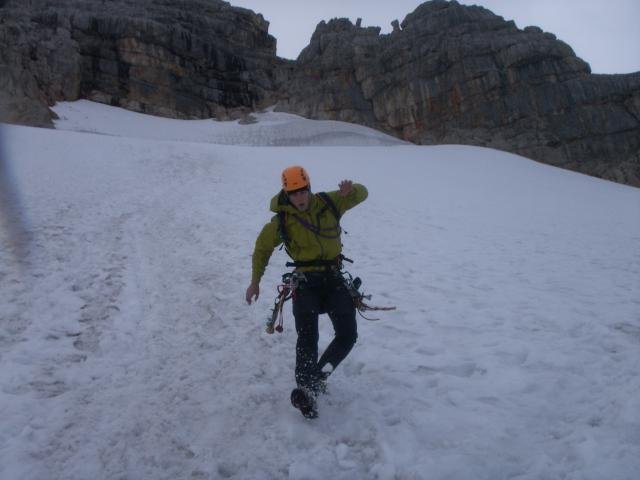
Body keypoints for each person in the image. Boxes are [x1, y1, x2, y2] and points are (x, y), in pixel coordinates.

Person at [245, 165, 368, 418]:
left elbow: (363, 193)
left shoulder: (329, 202)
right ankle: (306, 390)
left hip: (333, 279)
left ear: (309, 188)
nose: (299, 197)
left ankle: (318, 378)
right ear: (286, 194)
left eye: (303, 191)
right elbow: (262, 249)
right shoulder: (281, 220)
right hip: (305, 282)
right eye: (293, 193)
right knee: (308, 336)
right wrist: (255, 281)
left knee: (347, 334)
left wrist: (351, 190)